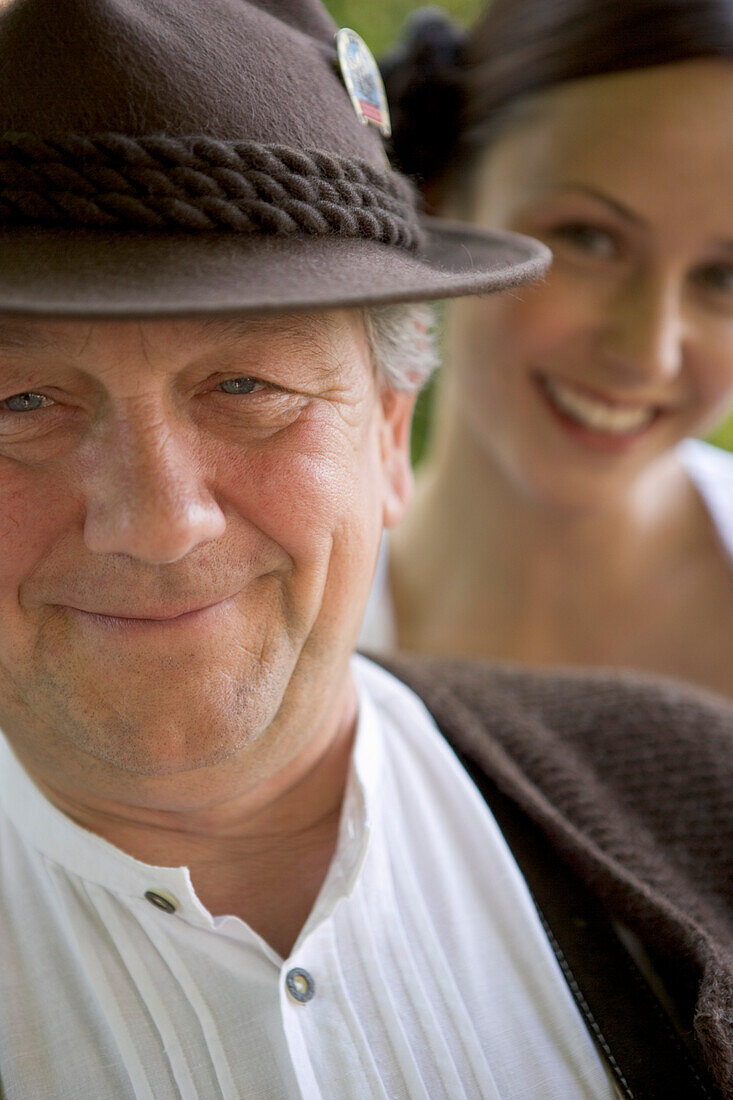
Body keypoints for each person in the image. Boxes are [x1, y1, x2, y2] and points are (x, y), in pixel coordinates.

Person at [0, 2, 729, 1098]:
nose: (156, 522)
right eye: (20, 401)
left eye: (246, 386)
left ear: (389, 432)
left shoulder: (700, 808)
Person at [363, 0, 733, 699]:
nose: (647, 355)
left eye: (722, 277)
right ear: (440, 193)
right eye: (590, 239)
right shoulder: (282, 650)